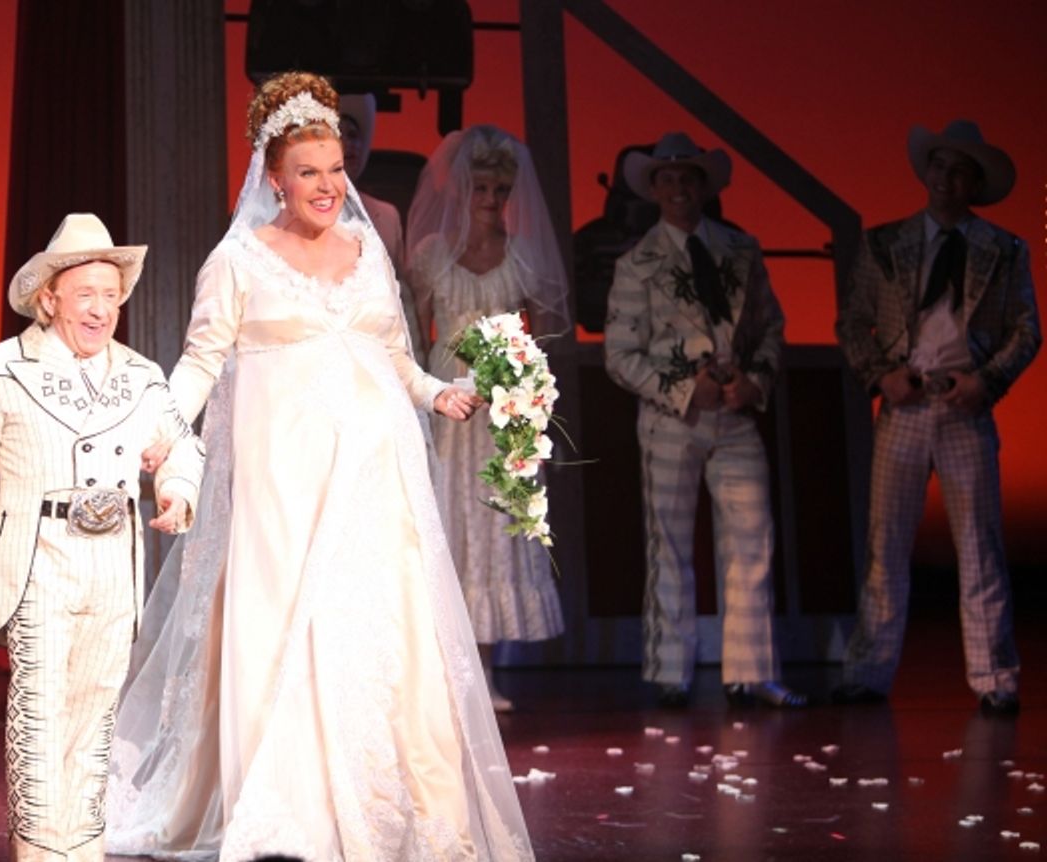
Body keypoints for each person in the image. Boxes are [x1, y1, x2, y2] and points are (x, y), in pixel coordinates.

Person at [106, 72, 535, 861]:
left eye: (336, 170)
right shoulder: (238, 261)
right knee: (288, 626)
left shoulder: (369, 249)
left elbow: (397, 357)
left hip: (375, 480)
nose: (329, 186)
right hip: (283, 482)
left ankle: (395, 803)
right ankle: (289, 806)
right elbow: (200, 362)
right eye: (309, 172)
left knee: (379, 629)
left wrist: (440, 394)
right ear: (274, 178)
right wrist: (159, 428)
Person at [0, 212, 204, 862]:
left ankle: (83, 848)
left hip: (112, 563)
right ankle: (41, 853)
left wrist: (176, 490)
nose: (102, 309)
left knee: (95, 717)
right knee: (42, 715)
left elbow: (181, 448)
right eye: (87, 294)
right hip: (41, 561)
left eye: (111, 295)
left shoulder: (141, 376)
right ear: (50, 298)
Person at [833, 120, 1040, 716]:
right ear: (926, 172)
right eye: (939, 166)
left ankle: (995, 676)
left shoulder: (1003, 250)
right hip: (905, 404)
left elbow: (1027, 330)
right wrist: (880, 376)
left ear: (974, 182)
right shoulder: (886, 243)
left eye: (959, 170)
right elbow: (853, 323)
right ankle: (868, 671)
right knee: (885, 544)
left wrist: (986, 382)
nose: (945, 179)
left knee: (980, 545)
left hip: (963, 406)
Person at [603, 132, 805, 709]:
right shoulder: (636, 263)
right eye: (667, 180)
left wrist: (753, 381)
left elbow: (770, 327)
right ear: (654, 190)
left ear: (703, 186)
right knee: (668, 542)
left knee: (751, 536)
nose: (678, 189)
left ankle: (750, 671)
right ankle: (671, 671)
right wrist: (687, 390)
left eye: (687, 178)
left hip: (736, 413)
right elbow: (620, 355)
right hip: (674, 418)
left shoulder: (741, 250)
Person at [403, 125, 569, 712]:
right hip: (449, 412)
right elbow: (413, 338)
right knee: (449, 527)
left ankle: (490, 672)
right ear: (462, 190)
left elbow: (545, 333)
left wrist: (518, 374)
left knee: (495, 534)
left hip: (502, 418)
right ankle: (445, 674)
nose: (492, 201)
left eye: (502, 190)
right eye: (481, 189)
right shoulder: (430, 258)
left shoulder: (522, 257)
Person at [339, 92, 426, 364]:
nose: (348, 145)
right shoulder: (298, 215)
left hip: (382, 356)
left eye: (354, 135)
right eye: (339, 135)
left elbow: (402, 299)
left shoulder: (386, 215)